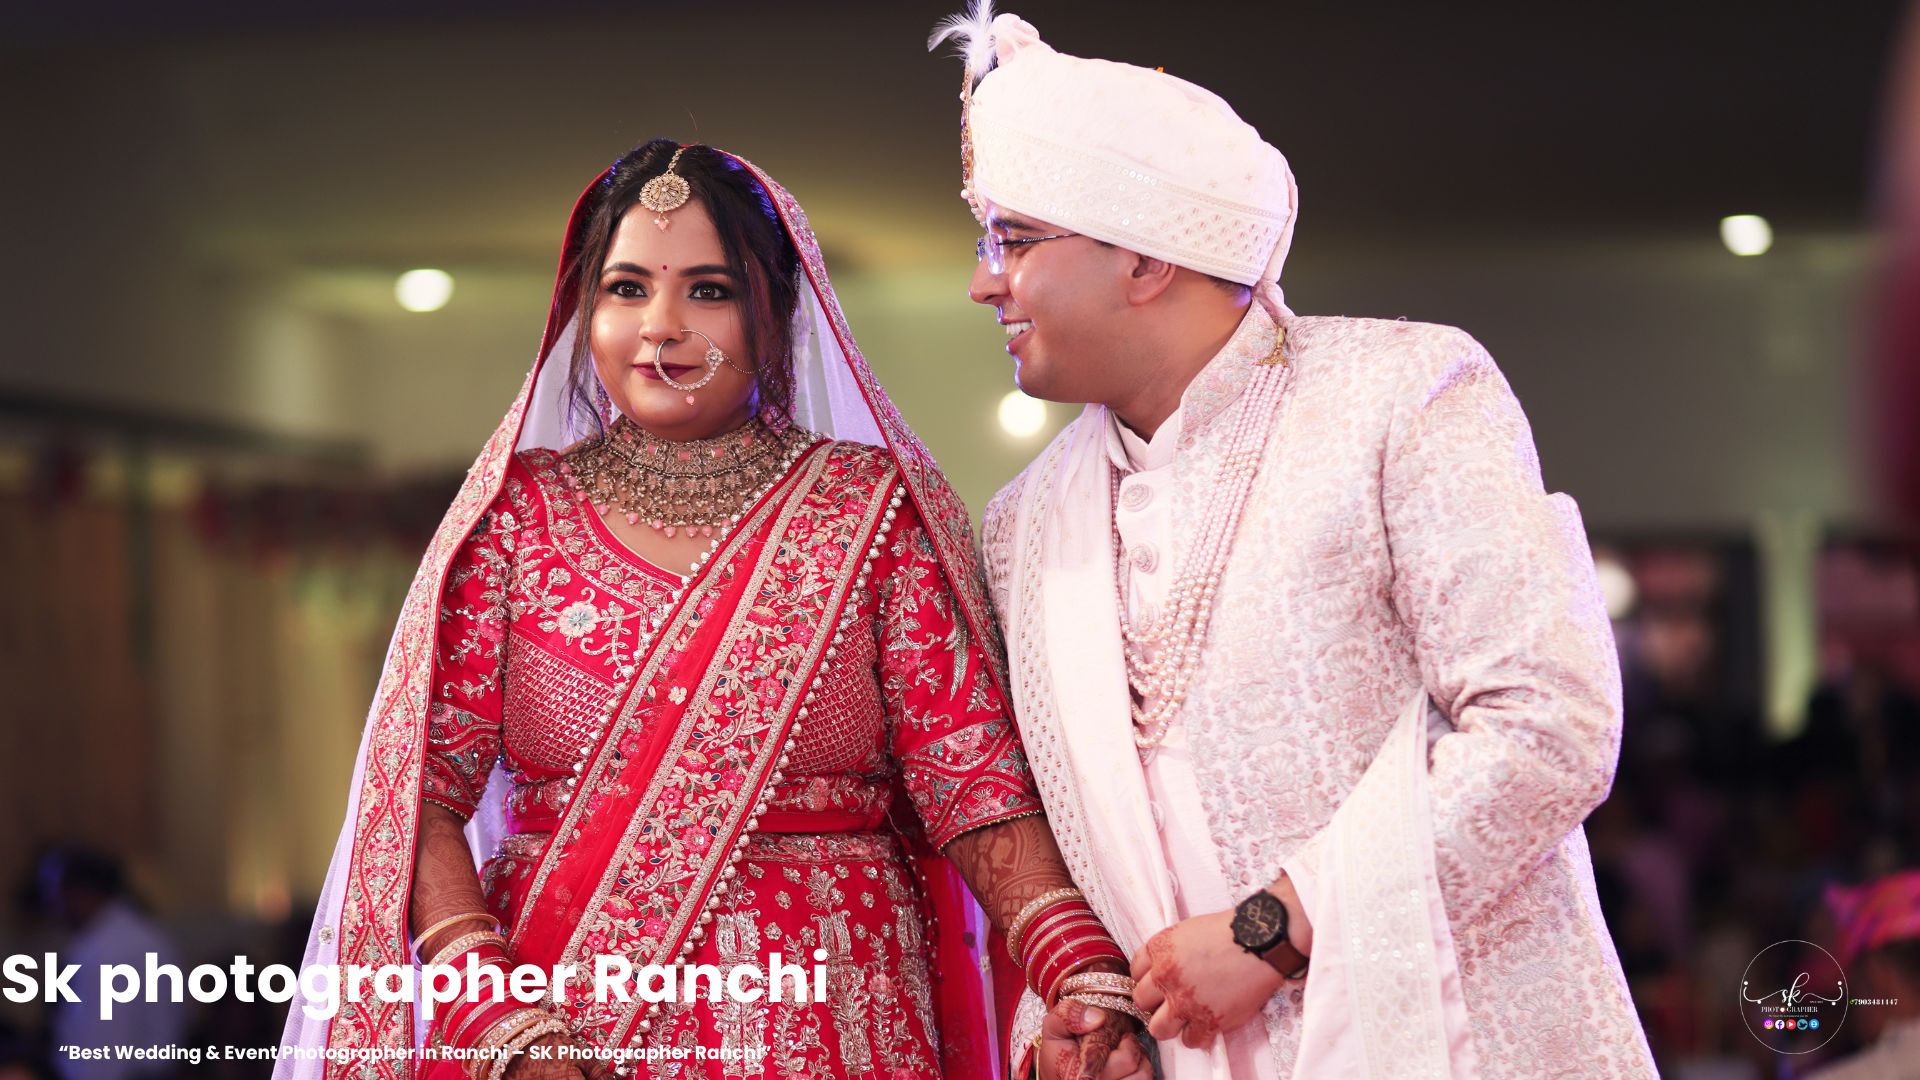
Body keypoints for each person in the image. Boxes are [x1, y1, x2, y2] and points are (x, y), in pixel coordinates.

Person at [277, 140, 1146, 1080]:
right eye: (625, 288)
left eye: (709, 290)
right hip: (563, 1020)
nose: (661, 327)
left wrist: (1079, 970)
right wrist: (495, 1018)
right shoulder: (513, 520)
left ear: (776, 310)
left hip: (834, 1012)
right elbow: (422, 798)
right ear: (582, 309)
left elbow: (971, 782)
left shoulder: (867, 509)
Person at [931, 5, 1657, 1076]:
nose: (985, 280)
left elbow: (1551, 723)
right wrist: (1095, 1018)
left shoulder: (1403, 394)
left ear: (1143, 259)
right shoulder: (1023, 520)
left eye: (1017, 240)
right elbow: (1097, 851)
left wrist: (1275, 929)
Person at [36, 849, 188, 1080]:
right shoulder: (141, 936)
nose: (51, 904)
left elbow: (101, 1055)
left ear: (82, 892)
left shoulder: (108, 953)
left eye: (55, 891)